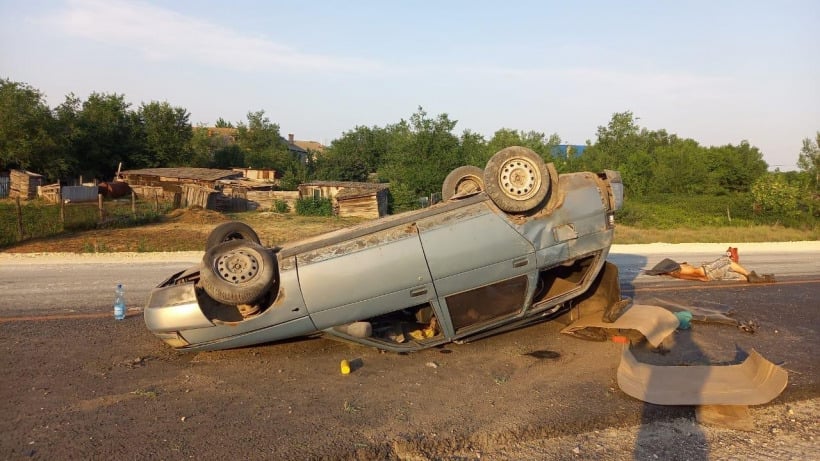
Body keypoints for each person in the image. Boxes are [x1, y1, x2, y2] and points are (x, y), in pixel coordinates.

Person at [646, 247, 776, 283]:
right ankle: (751, 275)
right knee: (727, 261)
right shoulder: (679, 269)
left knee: (738, 276)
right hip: (707, 271)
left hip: (708, 275)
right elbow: (696, 273)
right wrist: (702, 276)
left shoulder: (677, 274)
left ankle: (762, 279)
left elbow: (696, 277)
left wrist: (703, 279)